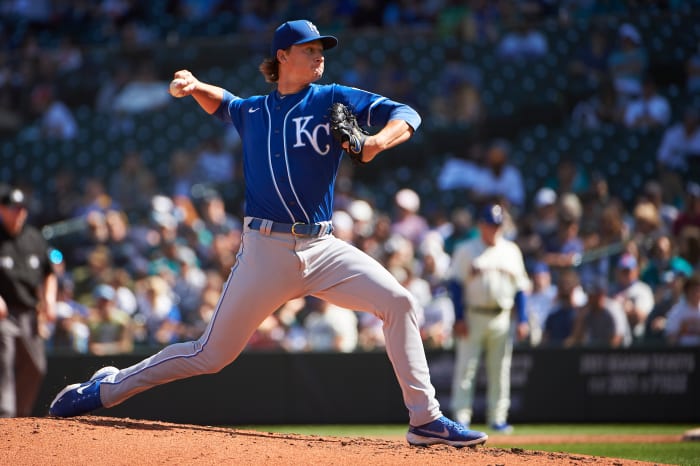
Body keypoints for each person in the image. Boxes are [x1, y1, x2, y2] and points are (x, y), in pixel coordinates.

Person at [48, 19, 487, 448]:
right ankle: (106, 388)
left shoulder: (333, 97)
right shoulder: (253, 110)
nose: (319, 56)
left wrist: (375, 142)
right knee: (209, 356)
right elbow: (224, 102)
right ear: (282, 56)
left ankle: (425, 419)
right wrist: (195, 84)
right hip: (266, 252)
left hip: (323, 247)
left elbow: (406, 113)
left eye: (321, 50)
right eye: (310, 49)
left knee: (400, 302)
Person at [447, 204, 530, 434]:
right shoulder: (466, 249)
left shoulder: (511, 250)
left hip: (502, 316)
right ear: (480, 225)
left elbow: (521, 289)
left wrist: (522, 319)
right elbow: (455, 285)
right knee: (466, 368)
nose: (493, 229)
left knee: (500, 370)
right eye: (489, 224)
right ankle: (461, 419)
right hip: (473, 315)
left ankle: (498, 418)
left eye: (497, 225)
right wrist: (459, 317)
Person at [0, 184, 57, 417]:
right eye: (13, 208)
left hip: (29, 312)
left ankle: (20, 420)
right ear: (1, 209)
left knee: (36, 367)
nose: (19, 213)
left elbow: (48, 273)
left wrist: (49, 301)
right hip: (3, 313)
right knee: (3, 360)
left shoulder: (34, 237)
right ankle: (4, 416)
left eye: (22, 208)